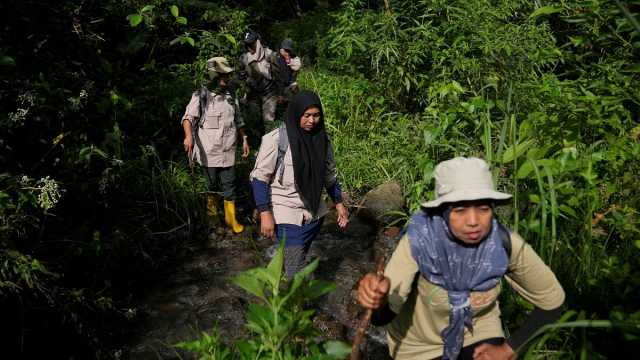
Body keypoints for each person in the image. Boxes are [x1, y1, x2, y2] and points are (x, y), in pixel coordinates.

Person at [357, 157, 565, 360]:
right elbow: (381, 318)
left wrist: (508, 349)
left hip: (476, 332)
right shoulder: (418, 243)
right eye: (460, 210)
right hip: (418, 346)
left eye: (483, 209)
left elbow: (553, 304)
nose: (473, 221)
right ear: (442, 212)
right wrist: (377, 300)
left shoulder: (503, 244)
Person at [250, 90, 349, 278]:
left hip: (313, 212)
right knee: (295, 268)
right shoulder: (276, 140)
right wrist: (265, 212)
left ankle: (276, 280)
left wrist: (339, 203)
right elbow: (259, 178)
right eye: (307, 116)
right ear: (296, 113)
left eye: (316, 115)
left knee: (296, 257)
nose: (312, 121)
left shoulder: (322, 140)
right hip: (285, 210)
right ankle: (296, 304)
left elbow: (329, 175)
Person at [181, 56, 250, 234]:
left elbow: (238, 119)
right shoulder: (201, 96)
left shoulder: (230, 95)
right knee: (211, 186)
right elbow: (188, 118)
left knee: (230, 185)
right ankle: (212, 220)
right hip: (208, 152)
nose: (226, 79)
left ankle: (230, 219)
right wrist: (188, 137)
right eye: (221, 75)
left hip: (228, 150)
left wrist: (244, 139)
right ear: (212, 75)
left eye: (227, 75)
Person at [239, 32, 279, 131]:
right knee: (253, 118)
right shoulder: (244, 58)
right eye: (247, 45)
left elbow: (278, 75)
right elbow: (240, 75)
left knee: (268, 120)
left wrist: (280, 93)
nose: (249, 48)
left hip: (269, 92)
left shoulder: (270, 55)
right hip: (253, 92)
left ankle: (269, 142)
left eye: (251, 44)